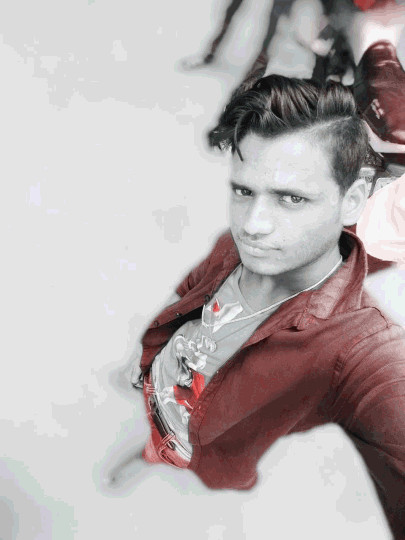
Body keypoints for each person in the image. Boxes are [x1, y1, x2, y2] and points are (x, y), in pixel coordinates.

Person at [111, 76, 405, 538]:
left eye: (291, 198)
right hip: (169, 384)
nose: (253, 225)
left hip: (202, 445)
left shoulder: (360, 350)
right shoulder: (235, 247)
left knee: (168, 451)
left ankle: (155, 453)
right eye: (244, 191)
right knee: (157, 425)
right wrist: (146, 356)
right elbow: (190, 289)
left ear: (353, 200)